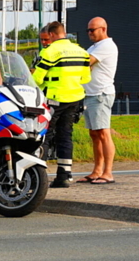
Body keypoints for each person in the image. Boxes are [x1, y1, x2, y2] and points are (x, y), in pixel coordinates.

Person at [33, 21, 91, 188]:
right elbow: (86, 78)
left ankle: (38, 176)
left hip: (54, 98)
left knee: (44, 135)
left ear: (51, 34)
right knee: (65, 135)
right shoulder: (82, 52)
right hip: (75, 98)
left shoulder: (50, 52)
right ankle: (64, 175)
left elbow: (37, 79)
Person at [78, 18, 119, 184]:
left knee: (103, 133)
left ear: (103, 29)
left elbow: (85, 63)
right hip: (90, 94)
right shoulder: (94, 47)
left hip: (101, 94)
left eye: (92, 30)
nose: (89, 33)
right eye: (88, 30)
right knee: (94, 134)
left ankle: (108, 172)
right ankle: (97, 170)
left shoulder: (106, 45)